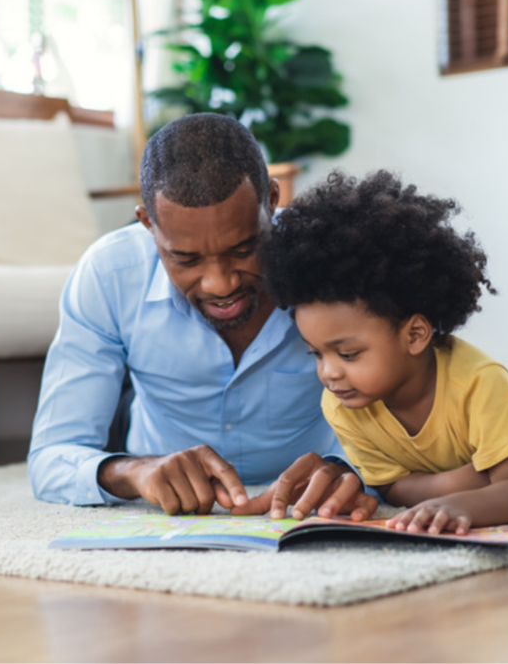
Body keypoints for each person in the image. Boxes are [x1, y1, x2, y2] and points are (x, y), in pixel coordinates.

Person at [27, 113, 377, 520]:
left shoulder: (336, 266)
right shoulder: (108, 275)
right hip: (155, 465)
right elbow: (52, 456)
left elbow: (414, 406)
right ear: (147, 224)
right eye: (186, 258)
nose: (220, 284)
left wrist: (350, 468)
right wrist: (135, 470)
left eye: (243, 249)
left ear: (272, 201)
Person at [258, 169, 508, 535]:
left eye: (348, 354)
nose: (329, 373)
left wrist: (465, 504)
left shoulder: (478, 382)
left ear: (415, 335)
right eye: (316, 354)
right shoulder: (342, 404)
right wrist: (459, 483)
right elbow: (391, 486)